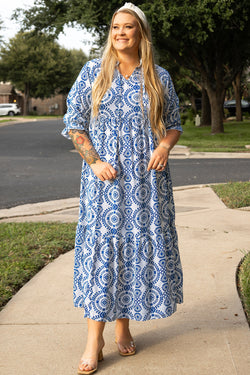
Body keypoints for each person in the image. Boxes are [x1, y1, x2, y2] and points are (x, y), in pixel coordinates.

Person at [62, 3, 183, 374]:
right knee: (105, 253)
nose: (120, 33)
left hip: (147, 185)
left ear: (140, 34)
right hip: (106, 184)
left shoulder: (158, 77)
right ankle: (92, 340)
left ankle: (123, 328)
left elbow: (174, 124)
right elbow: (74, 124)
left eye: (128, 27)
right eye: (115, 27)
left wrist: (163, 146)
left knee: (132, 253)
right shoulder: (92, 73)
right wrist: (95, 161)